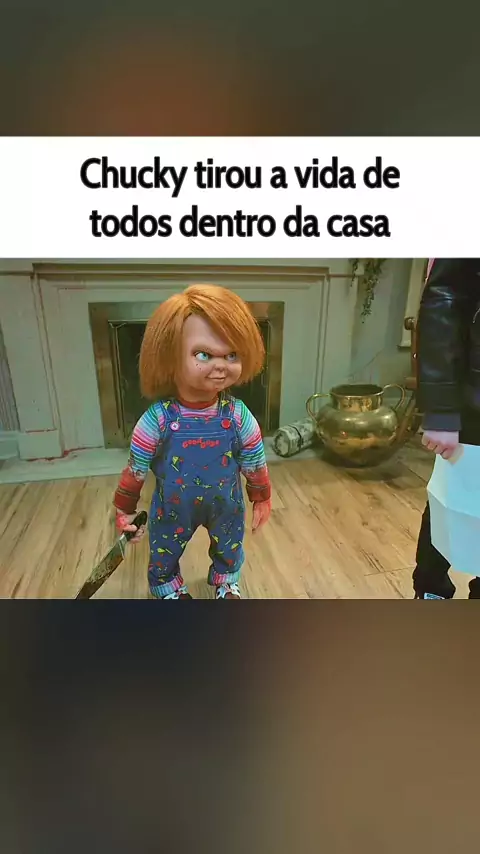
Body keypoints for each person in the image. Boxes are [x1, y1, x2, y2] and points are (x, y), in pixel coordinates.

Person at [113, 284, 271, 599]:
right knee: (164, 550)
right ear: (169, 357)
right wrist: (125, 509)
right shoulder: (157, 420)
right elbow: (135, 468)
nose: (220, 365)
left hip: (226, 505)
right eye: (203, 354)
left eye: (232, 355)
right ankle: (167, 586)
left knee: (230, 546)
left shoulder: (238, 415)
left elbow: (254, 458)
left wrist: (261, 496)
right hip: (173, 508)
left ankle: (227, 582)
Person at [413, 258, 480, 599]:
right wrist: (440, 408)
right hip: (475, 396)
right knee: (453, 495)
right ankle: (430, 592)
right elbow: (444, 297)